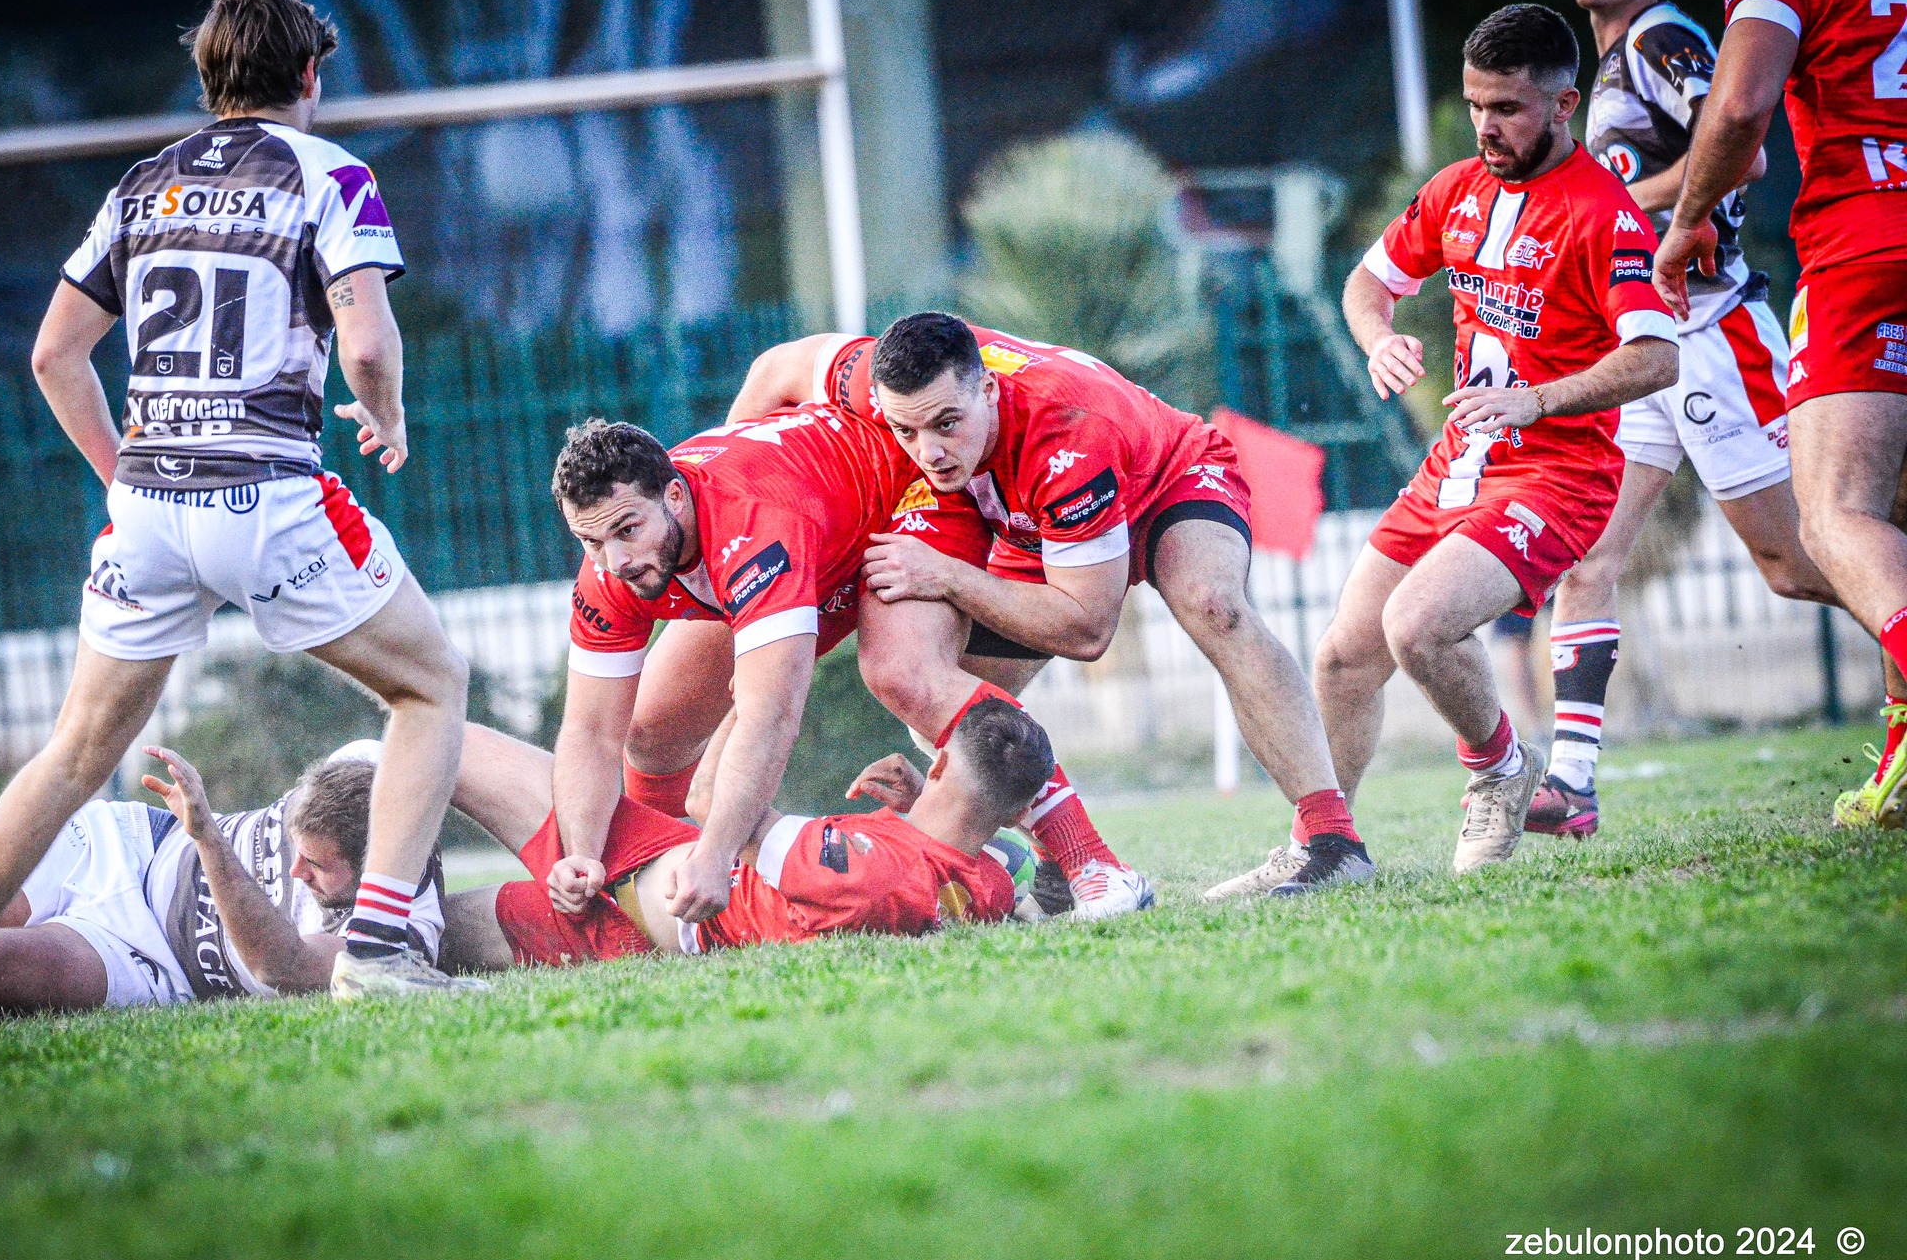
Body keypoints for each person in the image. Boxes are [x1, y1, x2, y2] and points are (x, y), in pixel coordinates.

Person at [0, 0, 477, 1040]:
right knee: (430, 687)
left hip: (149, 507)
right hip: (269, 497)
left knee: (72, 754)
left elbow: (52, 354)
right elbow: (370, 343)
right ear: (307, 79)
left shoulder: (141, 185)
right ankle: (379, 952)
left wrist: (122, 475)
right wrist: (384, 415)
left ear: (207, 81)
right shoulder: (331, 172)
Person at [730, 318, 1372, 902]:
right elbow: (775, 371)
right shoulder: (879, 378)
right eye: (907, 431)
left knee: (1213, 604)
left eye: (946, 424)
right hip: (1030, 526)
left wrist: (950, 576)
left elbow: (1087, 629)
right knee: (944, 693)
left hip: (1164, 478)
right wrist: (725, 477)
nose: (928, 452)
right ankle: (1060, 861)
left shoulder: (1063, 432)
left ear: (986, 391)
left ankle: (1331, 841)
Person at [548, 408, 1140, 934]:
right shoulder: (612, 564)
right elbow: (589, 731)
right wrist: (581, 852)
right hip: (808, 538)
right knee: (649, 734)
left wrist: (717, 851)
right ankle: (653, 886)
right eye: (591, 541)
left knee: (899, 672)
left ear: (675, 497)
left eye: (627, 531)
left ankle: (1088, 860)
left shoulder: (749, 525)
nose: (615, 560)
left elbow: (772, 714)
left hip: (900, 506)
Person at [1323, 4, 1679, 873]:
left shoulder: (1605, 215)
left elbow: (1657, 358)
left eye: (1508, 108)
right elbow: (1365, 287)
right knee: (1342, 658)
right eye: (1477, 104)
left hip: (1557, 476)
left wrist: (1540, 401)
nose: (1486, 125)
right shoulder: (1455, 191)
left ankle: (1501, 771)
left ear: (1563, 106)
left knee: (1418, 628)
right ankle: (1325, 844)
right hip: (1460, 466)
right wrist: (1382, 341)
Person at [1539, 0, 1857, 839]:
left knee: (1800, 564)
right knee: (1588, 555)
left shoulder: (1661, 35)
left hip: (1711, 331)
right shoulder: (1607, 62)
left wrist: (1614, 208)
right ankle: (1570, 785)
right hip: (1644, 345)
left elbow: (1743, 152)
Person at [1655, 0, 1907, 829]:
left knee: (1834, 518)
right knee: (1892, 520)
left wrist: (1687, 221)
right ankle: (1900, 758)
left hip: (1869, 247)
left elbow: (1740, 104)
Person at [0, 743, 467, 1032]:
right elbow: (442, 736)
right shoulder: (371, 765)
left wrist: (207, 836)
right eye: (295, 850)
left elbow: (280, 966)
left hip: (147, 957)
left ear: (374, 866)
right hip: (120, 843)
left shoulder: (394, 940)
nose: (293, 873)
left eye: (316, 867)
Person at [443, 695, 1045, 973]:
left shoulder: (867, 871)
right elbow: (988, 853)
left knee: (443, 743)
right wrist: (922, 805)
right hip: (653, 910)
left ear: (939, 764)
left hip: (633, 876)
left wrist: (752, 692)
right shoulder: (987, 882)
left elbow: (708, 799)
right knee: (425, 934)